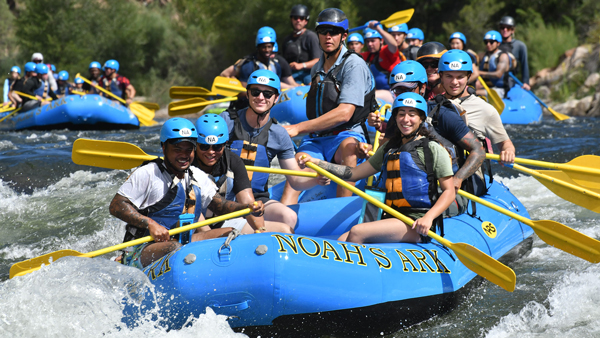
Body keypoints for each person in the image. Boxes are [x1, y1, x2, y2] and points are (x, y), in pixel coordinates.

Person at [300, 92, 455, 244]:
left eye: (412, 114)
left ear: (421, 118)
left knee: (357, 232)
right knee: (341, 239)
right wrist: (317, 163)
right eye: (401, 114)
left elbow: (449, 191)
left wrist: (428, 218)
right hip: (389, 216)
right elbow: (353, 174)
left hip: (416, 221)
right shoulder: (390, 147)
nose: (406, 119)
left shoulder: (432, 148)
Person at [109, 118, 263, 269]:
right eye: (177, 149)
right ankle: (124, 260)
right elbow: (116, 205)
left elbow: (220, 205)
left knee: (229, 234)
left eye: (188, 149)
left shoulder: (196, 175)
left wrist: (246, 207)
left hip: (183, 242)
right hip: (142, 247)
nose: (184, 155)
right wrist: (150, 224)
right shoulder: (147, 173)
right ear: (164, 147)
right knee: (174, 248)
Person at [281, 8, 377, 203]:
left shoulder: (354, 65)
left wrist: (297, 128)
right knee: (296, 168)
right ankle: (282, 219)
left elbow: (344, 113)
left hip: (346, 134)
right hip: (318, 138)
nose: (328, 36)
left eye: (333, 32)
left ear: (344, 36)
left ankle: (339, 207)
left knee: (349, 148)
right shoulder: (317, 66)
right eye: (323, 31)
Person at [220, 69, 325, 228]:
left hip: (257, 200)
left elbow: (295, 179)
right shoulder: (226, 120)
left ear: (276, 98)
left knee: (288, 217)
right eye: (255, 92)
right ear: (247, 94)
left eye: (267, 94)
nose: (261, 98)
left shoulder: (279, 134)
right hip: (224, 199)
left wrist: (317, 178)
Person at [368, 60, 487, 195]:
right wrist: (367, 151)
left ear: (423, 88)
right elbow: (381, 158)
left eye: (408, 89)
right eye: (398, 90)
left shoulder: (443, 115)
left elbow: (479, 150)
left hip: (442, 187)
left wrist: (457, 179)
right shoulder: (397, 119)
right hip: (410, 185)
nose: (403, 96)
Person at [194, 113, 293, 234]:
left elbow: (247, 201)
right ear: (195, 145)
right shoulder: (188, 166)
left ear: (225, 144)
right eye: (204, 146)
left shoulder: (233, 161)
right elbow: (193, 212)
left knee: (284, 230)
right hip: (193, 226)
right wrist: (209, 236)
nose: (210, 152)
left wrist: (260, 229)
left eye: (217, 147)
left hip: (223, 222)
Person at [437, 50, 516, 193]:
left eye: (460, 77)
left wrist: (508, 152)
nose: (454, 82)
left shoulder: (485, 109)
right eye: (449, 76)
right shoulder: (433, 105)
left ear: (468, 76)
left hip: (468, 182)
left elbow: (505, 144)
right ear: (441, 76)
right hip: (437, 177)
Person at [224, 27, 298, 89]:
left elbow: (288, 83)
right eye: (263, 47)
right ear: (258, 48)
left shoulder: (277, 64)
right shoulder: (248, 65)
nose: (267, 50)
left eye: (269, 47)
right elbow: (245, 89)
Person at [281, 4, 321, 85]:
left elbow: (318, 60)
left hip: (308, 73)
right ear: (292, 19)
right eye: (295, 18)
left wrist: (301, 65)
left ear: (306, 21)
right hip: (291, 75)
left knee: (314, 85)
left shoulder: (311, 37)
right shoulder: (287, 40)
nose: (298, 20)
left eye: (301, 18)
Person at [361, 22, 401, 102]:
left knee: (365, 96)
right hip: (377, 95)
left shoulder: (387, 51)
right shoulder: (367, 55)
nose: (369, 44)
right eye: (367, 41)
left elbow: (394, 44)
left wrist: (378, 29)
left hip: (393, 94)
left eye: (373, 41)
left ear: (381, 41)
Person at [477, 30, 515, 98]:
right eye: (486, 42)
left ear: (498, 43)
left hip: (499, 90)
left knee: (473, 93)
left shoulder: (503, 56)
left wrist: (479, 73)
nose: (488, 44)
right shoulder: (482, 56)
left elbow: (498, 74)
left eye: (491, 42)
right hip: (484, 87)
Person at [499, 16, 530, 90]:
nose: (505, 30)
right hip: (496, 79)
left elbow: (524, 64)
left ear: (512, 30)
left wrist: (526, 82)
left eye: (508, 28)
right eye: (503, 27)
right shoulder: (495, 45)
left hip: (511, 80)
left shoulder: (520, 45)